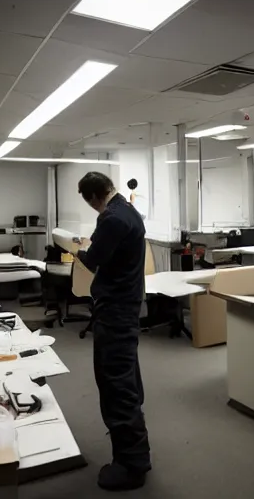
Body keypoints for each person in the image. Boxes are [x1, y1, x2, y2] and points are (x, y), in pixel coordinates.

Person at [74, 171, 151, 491]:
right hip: (127, 305)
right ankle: (136, 452)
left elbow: (94, 260)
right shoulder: (128, 211)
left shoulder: (111, 219)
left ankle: (132, 465)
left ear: (92, 197)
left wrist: (74, 248)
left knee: (116, 385)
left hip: (115, 310)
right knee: (126, 380)